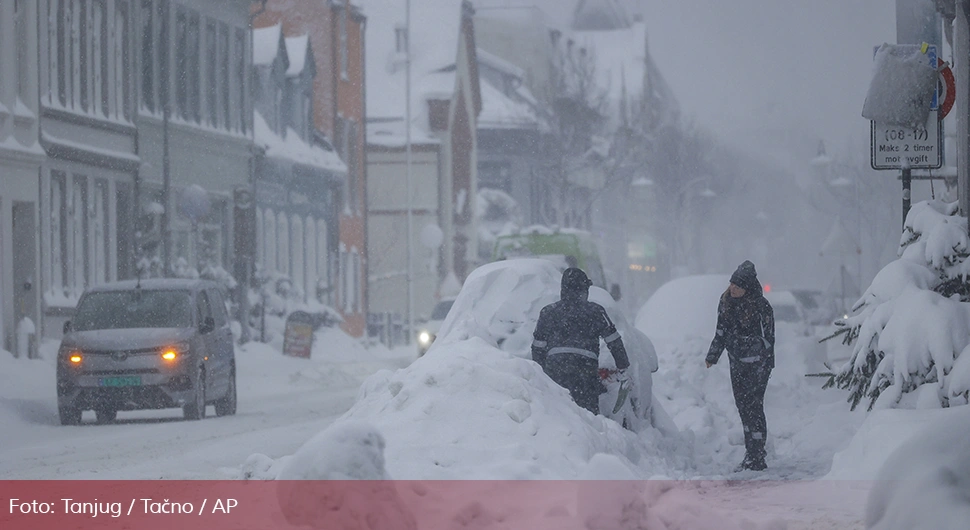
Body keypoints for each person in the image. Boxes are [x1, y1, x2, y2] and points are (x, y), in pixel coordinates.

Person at [705, 260, 775, 472]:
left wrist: (764, 361)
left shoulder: (762, 307)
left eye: (738, 286)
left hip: (758, 366)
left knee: (754, 407)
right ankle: (750, 452)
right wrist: (713, 355)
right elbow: (721, 331)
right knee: (743, 407)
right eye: (731, 284)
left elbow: (769, 339)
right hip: (736, 363)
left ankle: (757, 455)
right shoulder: (725, 302)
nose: (732, 288)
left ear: (747, 288)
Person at [532, 268, 630, 414]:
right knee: (588, 417)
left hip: (556, 369)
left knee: (557, 413)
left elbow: (537, 348)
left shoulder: (548, 312)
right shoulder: (596, 311)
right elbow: (614, 341)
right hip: (585, 370)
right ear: (584, 289)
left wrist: (540, 373)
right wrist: (623, 366)